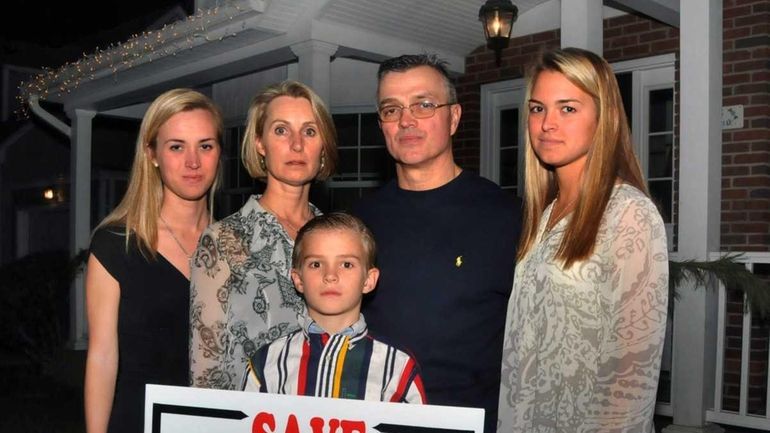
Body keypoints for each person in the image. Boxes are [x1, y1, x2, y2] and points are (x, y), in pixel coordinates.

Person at [497, 47, 669, 433]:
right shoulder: (544, 214)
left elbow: (632, 374)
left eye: (568, 108)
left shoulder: (628, 213)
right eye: (538, 108)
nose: (547, 124)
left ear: (602, 118)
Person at [353, 54, 521, 433]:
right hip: (374, 422)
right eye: (391, 109)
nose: (406, 120)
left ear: (455, 117)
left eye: (424, 105)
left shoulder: (508, 217)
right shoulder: (356, 223)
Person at [85, 88, 223, 433]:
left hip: (218, 421)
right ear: (152, 154)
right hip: (139, 421)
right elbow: (102, 358)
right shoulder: (116, 244)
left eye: (205, 146)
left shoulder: (234, 242)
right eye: (177, 146)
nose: (193, 162)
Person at [190, 80, 338, 390]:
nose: (297, 145)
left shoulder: (340, 240)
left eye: (309, 131)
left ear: (322, 145)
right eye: (281, 130)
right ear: (260, 144)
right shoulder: (224, 240)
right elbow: (208, 373)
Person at [243, 212, 426, 403]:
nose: (330, 275)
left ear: (369, 280)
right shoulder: (265, 364)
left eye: (346, 264)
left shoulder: (398, 368)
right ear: (298, 280)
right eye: (316, 264)